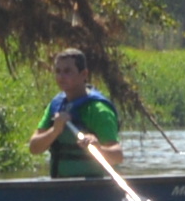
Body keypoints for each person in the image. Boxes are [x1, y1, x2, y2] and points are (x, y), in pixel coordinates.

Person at [28, 48, 123, 178]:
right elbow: (34, 148)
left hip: (93, 186)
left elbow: (117, 156)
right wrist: (54, 131)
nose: (61, 77)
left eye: (67, 71)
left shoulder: (99, 110)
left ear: (84, 74)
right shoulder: (56, 106)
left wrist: (98, 148)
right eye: (58, 71)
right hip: (60, 185)